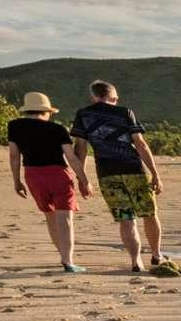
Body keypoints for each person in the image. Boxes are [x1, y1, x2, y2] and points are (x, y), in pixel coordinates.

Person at [70, 79, 166, 274]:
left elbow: (80, 147)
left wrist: (82, 178)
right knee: (149, 213)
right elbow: (140, 143)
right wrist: (155, 173)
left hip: (106, 173)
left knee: (126, 218)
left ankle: (136, 261)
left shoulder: (83, 114)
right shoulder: (125, 112)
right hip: (133, 169)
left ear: (94, 96)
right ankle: (156, 255)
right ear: (113, 96)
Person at [6, 91, 89, 273]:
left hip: (33, 175)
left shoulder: (14, 126)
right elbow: (71, 157)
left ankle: (63, 255)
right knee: (65, 218)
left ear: (28, 110)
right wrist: (84, 179)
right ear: (46, 112)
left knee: (50, 215)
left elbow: (14, 156)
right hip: (58, 174)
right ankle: (68, 260)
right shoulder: (57, 129)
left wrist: (17, 181)